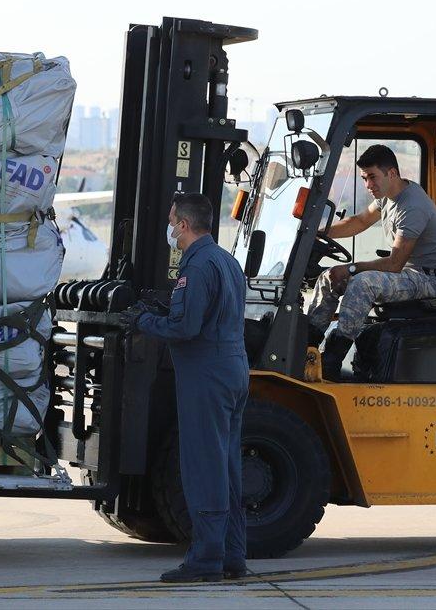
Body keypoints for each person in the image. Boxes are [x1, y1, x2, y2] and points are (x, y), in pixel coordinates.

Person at [124, 192, 249, 583]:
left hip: (205, 374)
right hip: (232, 368)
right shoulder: (227, 262)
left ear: (183, 225)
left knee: (203, 466)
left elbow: (185, 328)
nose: (169, 227)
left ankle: (206, 560)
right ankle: (232, 555)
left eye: (171, 220)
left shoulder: (195, 267)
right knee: (227, 465)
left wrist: (142, 322)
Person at [307, 144, 436, 380]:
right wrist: (317, 233)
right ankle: (307, 345)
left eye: (372, 177)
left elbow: (394, 264)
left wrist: (351, 268)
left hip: (425, 277)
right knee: (329, 276)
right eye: (364, 178)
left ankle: (332, 359)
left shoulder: (412, 206)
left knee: (363, 283)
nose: (368, 185)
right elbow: (359, 222)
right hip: (405, 272)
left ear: (391, 173)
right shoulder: (387, 196)